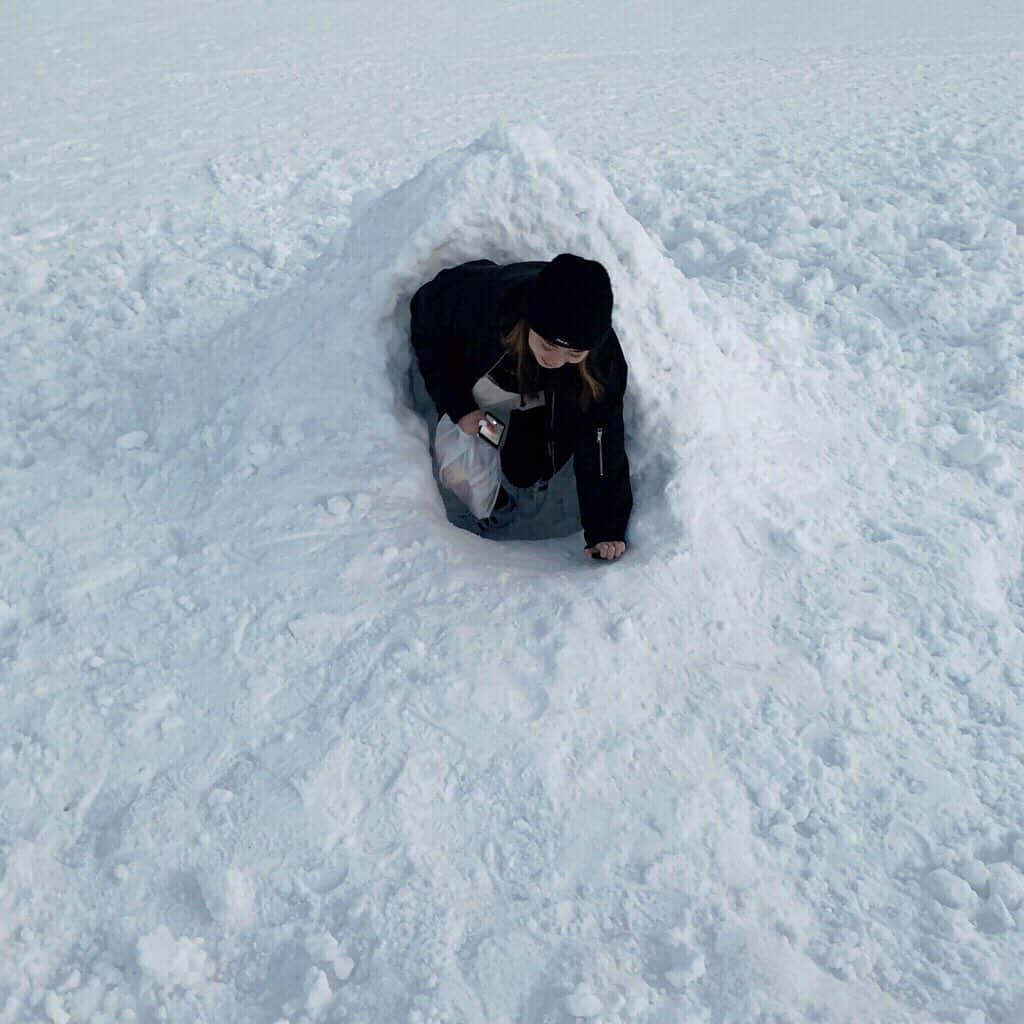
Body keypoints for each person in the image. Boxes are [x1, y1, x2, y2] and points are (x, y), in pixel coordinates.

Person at [409, 253, 632, 561]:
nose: (556, 360)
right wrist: (458, 405)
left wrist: (605, 526)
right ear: (529, 321)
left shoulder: (600, 361)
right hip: (490, 381)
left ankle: (523, 454)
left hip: (542, 396)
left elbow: (601, 439)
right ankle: (493, 506)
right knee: (459, 470)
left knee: (525, 470)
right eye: (549, 345)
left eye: (574, 353)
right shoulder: (486, 305)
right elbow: (427, 319)